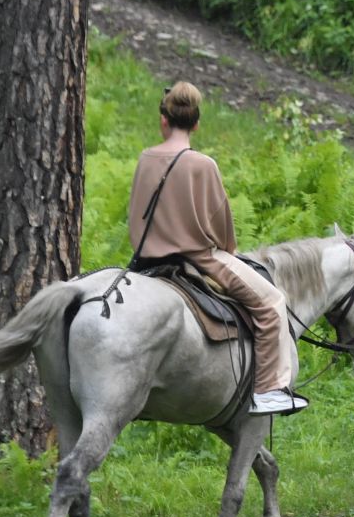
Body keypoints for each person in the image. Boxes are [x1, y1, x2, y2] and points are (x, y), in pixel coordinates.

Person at [127, 82, 305, 415]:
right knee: (272, 303)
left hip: (145, 258)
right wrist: (227, 249)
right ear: (196, 124)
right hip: (199, 260)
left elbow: (135, 215)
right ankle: (269, 390)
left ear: (163, 120)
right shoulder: (203, 165)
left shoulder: (145, 158)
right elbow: (222, 224)